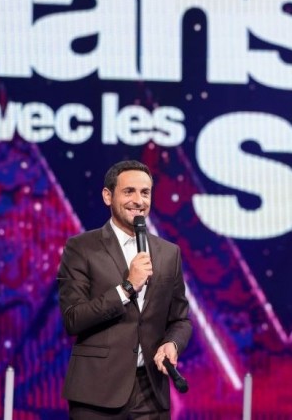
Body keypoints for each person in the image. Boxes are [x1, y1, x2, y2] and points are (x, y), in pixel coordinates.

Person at [57, 160, 192, 419]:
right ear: (108, 196)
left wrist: (172, 343)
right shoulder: (81, 248)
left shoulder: (169, 253)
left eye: (145, 192)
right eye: (129, 191)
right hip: (96, 393)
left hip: (150, 394)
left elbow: (180, 320)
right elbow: (73, 318)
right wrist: (127, 287)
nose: (138, 200)